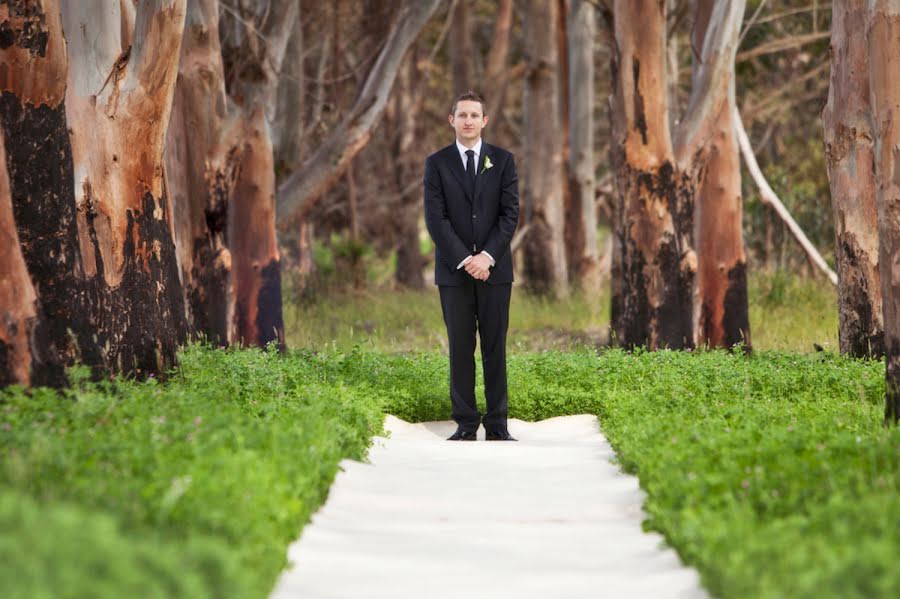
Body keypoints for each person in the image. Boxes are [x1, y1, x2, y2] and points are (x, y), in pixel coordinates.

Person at [423, 91, 519, 442]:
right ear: (452, 120)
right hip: (454, 273)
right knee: (460, 347)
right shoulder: (437, 163)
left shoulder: (504, 161)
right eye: (461, 115)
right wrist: (466, 260)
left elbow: (510, 215)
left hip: (495, 272)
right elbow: (436, 219)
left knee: (495, 347)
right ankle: (465, 423)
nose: (468, 121)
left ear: (484, 121)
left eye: (474, 115)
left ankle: (498, 424)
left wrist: (487, 257)